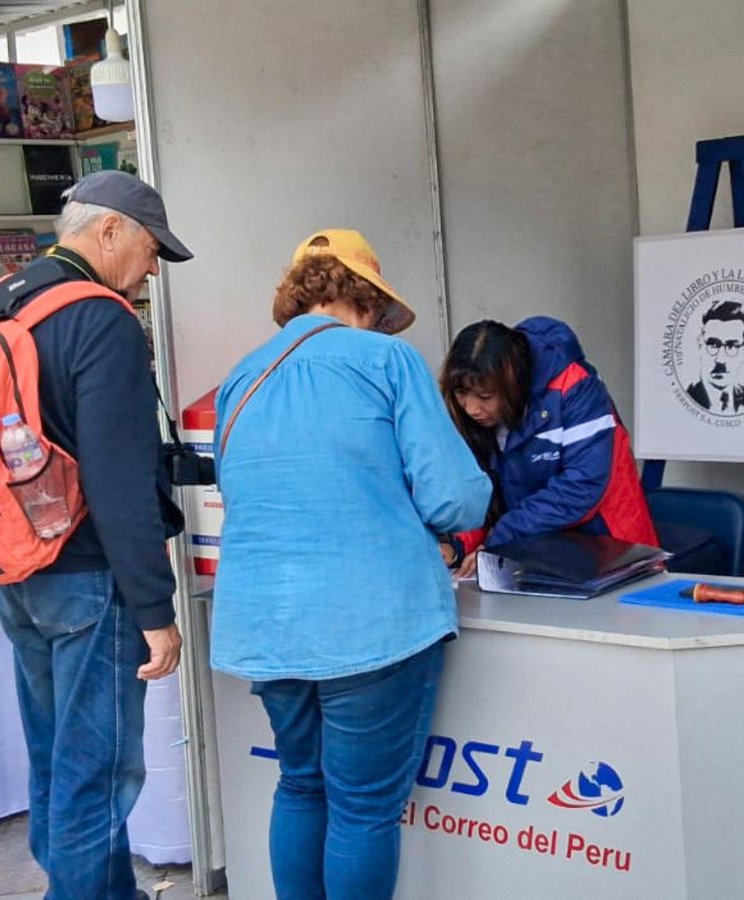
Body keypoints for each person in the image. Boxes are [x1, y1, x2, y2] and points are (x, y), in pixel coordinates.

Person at [211, 229, 492, 900]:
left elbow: (241, 488)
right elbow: (455, 496)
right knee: (363, 808)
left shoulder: (241, 377)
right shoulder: (387, 360)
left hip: (266, 625)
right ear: (368, 298)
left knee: (301, 785)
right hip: (371, 620)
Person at [0, 170, 193, 900]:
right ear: (108, 232)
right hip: (87, 577)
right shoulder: (101, 319)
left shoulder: (3, 302)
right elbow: (118, 480)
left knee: (58, 758)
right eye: (149, 249)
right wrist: (154, 610)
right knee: (97, 771)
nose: (152, 268)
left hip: (17, 567)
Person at [440, 317, 658, 577]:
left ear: (512, 381)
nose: (472, 408)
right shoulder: (473, 419)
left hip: (613, 554)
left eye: (486, 397)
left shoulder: (575, 385)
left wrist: (500, 539)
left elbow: (582, 487)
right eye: (461, 393)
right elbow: (482, 495)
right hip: (532, 558)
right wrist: (456, 545)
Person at [686, 298, 744, 413]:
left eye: (731, 346)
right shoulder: (688, 398)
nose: (721, 359)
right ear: (700, 345)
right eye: (713, 345)